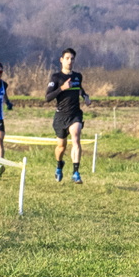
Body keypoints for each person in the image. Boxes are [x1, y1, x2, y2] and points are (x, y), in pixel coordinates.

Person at [45, 48, 90, 184]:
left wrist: (85, 96)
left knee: (76, 137)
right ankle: (59, 165)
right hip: (61, 116)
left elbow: (80, 88)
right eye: (67, 58)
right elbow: (47, 97)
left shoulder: (78, 76)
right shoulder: (56, 77)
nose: (70, 61)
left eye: (72, 59)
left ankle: (76, 173)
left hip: (75, 114)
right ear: (61, 60)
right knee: (61, 146)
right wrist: (62, 88)